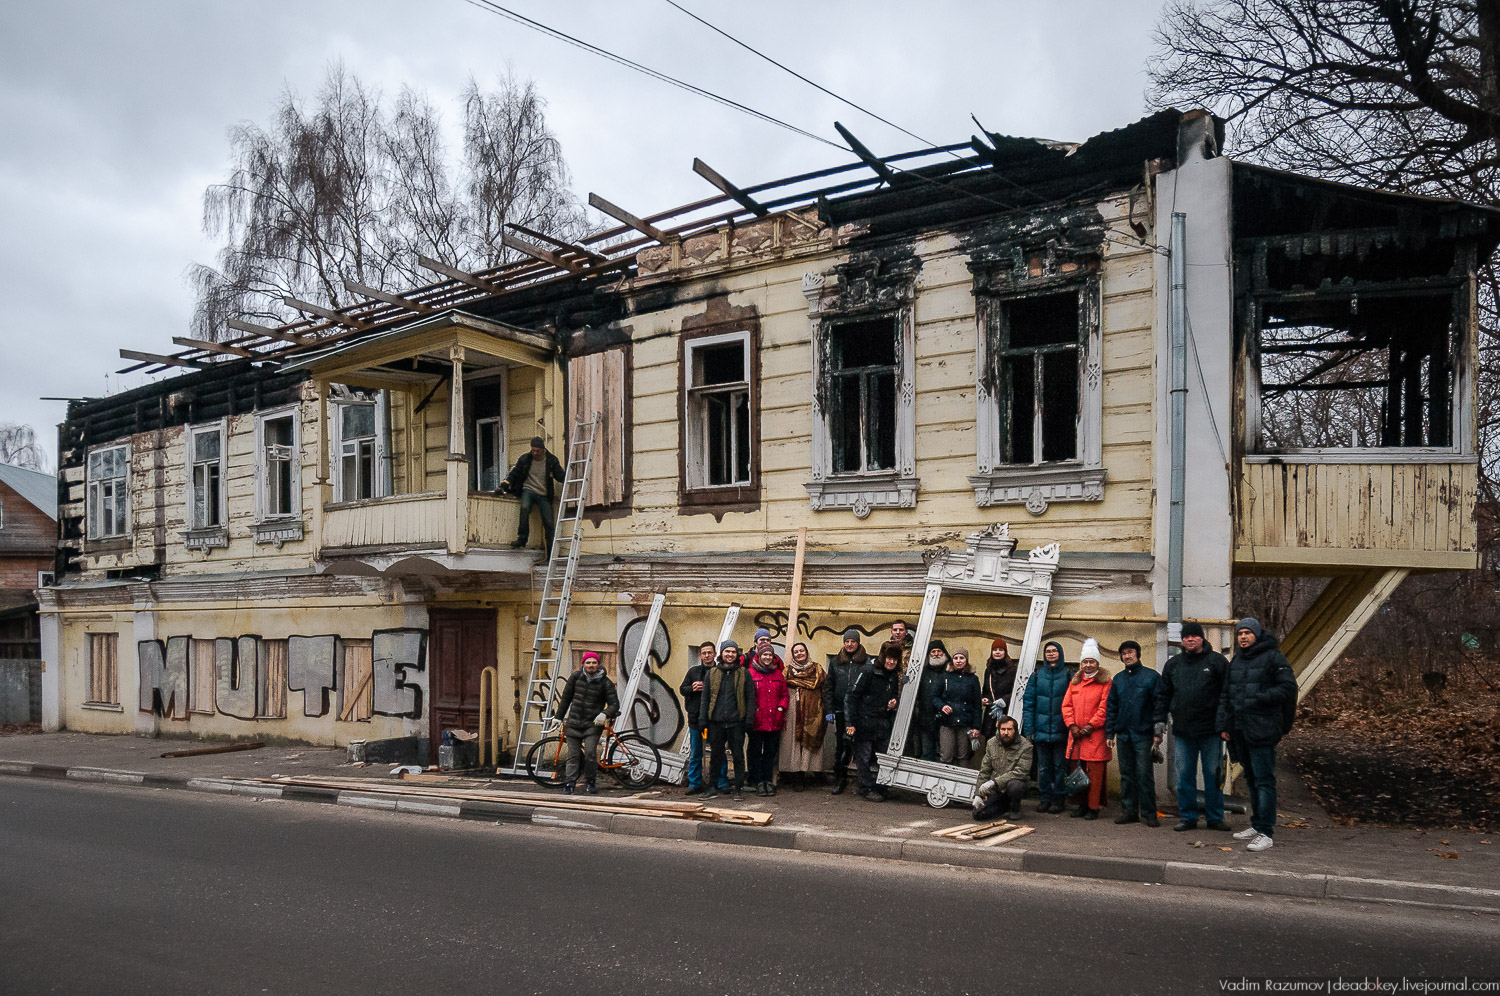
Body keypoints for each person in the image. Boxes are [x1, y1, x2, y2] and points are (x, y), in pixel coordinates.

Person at [1217, 618, 1297, 853]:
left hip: (1262, 729)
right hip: (1240, 731)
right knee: (1250, 779)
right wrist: (1224, 724)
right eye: (1240, 633)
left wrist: (1262, 697)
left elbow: (1288, 688)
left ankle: (1267, 832)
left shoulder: (1274, 658)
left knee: (1264, 781)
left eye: (1247, 633)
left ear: (1257, 635)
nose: (1243, 637)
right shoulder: (1236, 661)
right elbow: (1226, 696)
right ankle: (1256, 824)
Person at [1154, 622, 1232, 832]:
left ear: (1202, 638)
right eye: (1186, 637)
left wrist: (1225, 724)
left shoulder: (1217, 662)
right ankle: (1188, 817)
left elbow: (1227, 694)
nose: (1190, 640)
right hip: (1183, 731)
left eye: (1194, 636)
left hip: (1211, 732)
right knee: (1184, 776)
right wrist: (1160, 721)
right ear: (1182, 640)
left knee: (1213, 776)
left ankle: (1215, 818)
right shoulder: (1174, 665)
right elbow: (1163, 695)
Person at [1104, 640, 1162, 827]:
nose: (1127, 656)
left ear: (1137, 654)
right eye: (1123, 653)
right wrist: (1109, 733)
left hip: (1143, 735)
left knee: (1144, 775)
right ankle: (1129, 811)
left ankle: (1149, 813)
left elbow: (1159, 707)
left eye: (1130, 652)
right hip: (1123, 735)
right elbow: (1111, 708)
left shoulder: (1151, 677)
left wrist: (1157, 733)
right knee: (1127, 775)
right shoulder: (1118, 680)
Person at [552, 651, 620, 795]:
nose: (591, 665)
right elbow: (565, 699)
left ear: (598, 664)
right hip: (574, 724)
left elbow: (615, 704)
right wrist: (558, 717)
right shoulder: (575, 678)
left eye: (594, 662)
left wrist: (604, 714)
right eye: (588, 662)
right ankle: (570, 783)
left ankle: (590, 781)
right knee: (573, 756)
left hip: (592, 725)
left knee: (590, 754)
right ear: (583, 664)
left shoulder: (605, 683)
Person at [845, 641, 904, 802]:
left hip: (882, 722)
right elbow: (851, 697)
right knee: (863, 757)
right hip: (864, 721)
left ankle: (880, 787)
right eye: (889, 658)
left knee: (883, 757)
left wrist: (893, 701)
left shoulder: (892, 675)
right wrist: (850, 723)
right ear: (883, 657)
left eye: (895, 659)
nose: (891, 662)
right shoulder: (868, 671)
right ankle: (866, 788)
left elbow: (893, 695)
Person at [698, 640, 755, 801]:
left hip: (737, 722)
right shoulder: (713, 673)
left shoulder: (744, 673)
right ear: (721, 654)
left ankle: (738, 789)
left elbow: (750, 698)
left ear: (737, 654)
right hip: (715, 722)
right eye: (727, 651)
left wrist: (749, 719)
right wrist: (703, 719)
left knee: (738, 756)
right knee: (715, 756)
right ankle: (712, 788)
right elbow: (706, 698)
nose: (730, 654)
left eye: (733, 652)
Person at [1061, 639, 1111, 819]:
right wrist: (1072, 725)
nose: (1088, 665)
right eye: (1085, 662)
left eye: (1091, 662)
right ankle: (1081, 804)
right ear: (1081, 663)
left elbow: (1105, 708)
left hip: (1094, 736)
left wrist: (1090, 725)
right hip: (1076, 736)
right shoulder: (1074, 682)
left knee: (1094, 774)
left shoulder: (1106, 683)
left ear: (1097, 663)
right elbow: (1066, 706)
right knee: (1077, 771)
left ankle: (1093, 807)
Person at [1023, 640, 1072, 813]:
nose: (1051, 653)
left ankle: (1059, 799)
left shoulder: (1068, 676)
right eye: (1048, 651)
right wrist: (1029, 729)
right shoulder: (1037, 675)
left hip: (1061, 731)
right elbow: (1028, 703)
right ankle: (1045, 798)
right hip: (1041, 731)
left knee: (1060, 767)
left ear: (1060, 653)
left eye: (1054, 651)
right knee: (1043, 768)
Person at [497, 436, 565, 550]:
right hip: (528, 490)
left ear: (543, 449)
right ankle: (522, 538)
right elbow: (514, 474)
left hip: (544, 494)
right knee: (524, 507)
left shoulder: (551, 460)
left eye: (537, 451)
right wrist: (504, 485)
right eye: (533, 450)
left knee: (549, 522)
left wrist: (568, 476)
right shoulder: (525, 459)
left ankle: (551, 552)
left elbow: (559, 475)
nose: (535, 453)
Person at [778, 642, 827, 790]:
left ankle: (810, 772)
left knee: (810, 739)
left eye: (802, 650)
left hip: (813, 712)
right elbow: (780, 690)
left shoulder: (817, 669)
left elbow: (826, 688)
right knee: (793, 742)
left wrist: (827, 709)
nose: (799, 653)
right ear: (793, 655)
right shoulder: (787, 672)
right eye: (796, 652)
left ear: (806, 652)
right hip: (793, 711)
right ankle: (795, 775)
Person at [823, 629, 867, 795]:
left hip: (860, 712)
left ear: (858, 643)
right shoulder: (836, 662)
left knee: (862, 747)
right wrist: (829, 709)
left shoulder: (866, 661)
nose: (849, 644)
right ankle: (839, 779)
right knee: (842, 746)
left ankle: (864, 782)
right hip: (841, 710)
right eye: (847, 641)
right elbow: (829, 688)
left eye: (853, 641)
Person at [747, 646, 789, 796]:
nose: (767, 658)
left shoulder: (777, 674)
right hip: (757, 722)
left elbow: (784, 695)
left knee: (770, 753)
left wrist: (780, 708)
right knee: (756, 752)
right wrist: (754, 711)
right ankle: (758, 781)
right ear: (759, 656)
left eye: (769, 655)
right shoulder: (751, 673)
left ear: (773, 657)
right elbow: (747, 696)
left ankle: (768, 780)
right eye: (764, 655)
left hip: (774, 721)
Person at [972, 715, 1034, 820]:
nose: (1006, 733)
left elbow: (1021, 771)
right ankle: (1005, 806)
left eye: (1009, 729)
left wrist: (993, 782)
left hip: (1015, 784)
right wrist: (978, 794)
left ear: (1015, 730)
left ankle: (1015, 808)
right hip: (997, 789)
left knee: (1015, 786)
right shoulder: (991, 743)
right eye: (1003, 729)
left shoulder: (1026, 746)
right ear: (998, 730)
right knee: (978, 814)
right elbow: (985, 770)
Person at [678, 641, 717, 796]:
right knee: (696, 753)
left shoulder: (718, 671)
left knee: (717, 752)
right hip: (695, 719)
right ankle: (695, 783)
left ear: (714, 654)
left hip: (714, 719)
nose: (707, 655)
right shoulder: (693, 671)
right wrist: (692, 688)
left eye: (709, 652)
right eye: (704, 653)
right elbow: (682, 689)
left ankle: (719, 782)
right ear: (700, 655)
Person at [937, 647, 982, 765]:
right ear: (952, 660)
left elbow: (977, 704)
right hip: (947, 722)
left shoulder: (973, 679)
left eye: (961, 658)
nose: (958, 661)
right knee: (946, 755)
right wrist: (942, 706)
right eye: (955, 658)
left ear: (966, 660)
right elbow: (934, 697)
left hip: (965, 723)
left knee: (963, 756)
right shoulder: (945, 677)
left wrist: (976, 726)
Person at [909, 640, 950, 762]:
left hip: (945, 720)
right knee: (926, 752)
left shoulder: (950, 671)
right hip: (925, 718)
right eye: (933, 651)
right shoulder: (924, 672)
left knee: (943, 754)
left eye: (939, 651)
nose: (936, 654)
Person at [980, 638, 1019, 739]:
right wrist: (984, 699)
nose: (997, 652)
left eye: (1000, 650)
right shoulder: (988, 670)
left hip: (1007, 712)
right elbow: (986, 690)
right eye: (995, 650)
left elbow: (1017, 692)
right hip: (991, 713)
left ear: (1005, 652)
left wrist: (1004, 700)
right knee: (990, 742)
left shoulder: (1013, 670)